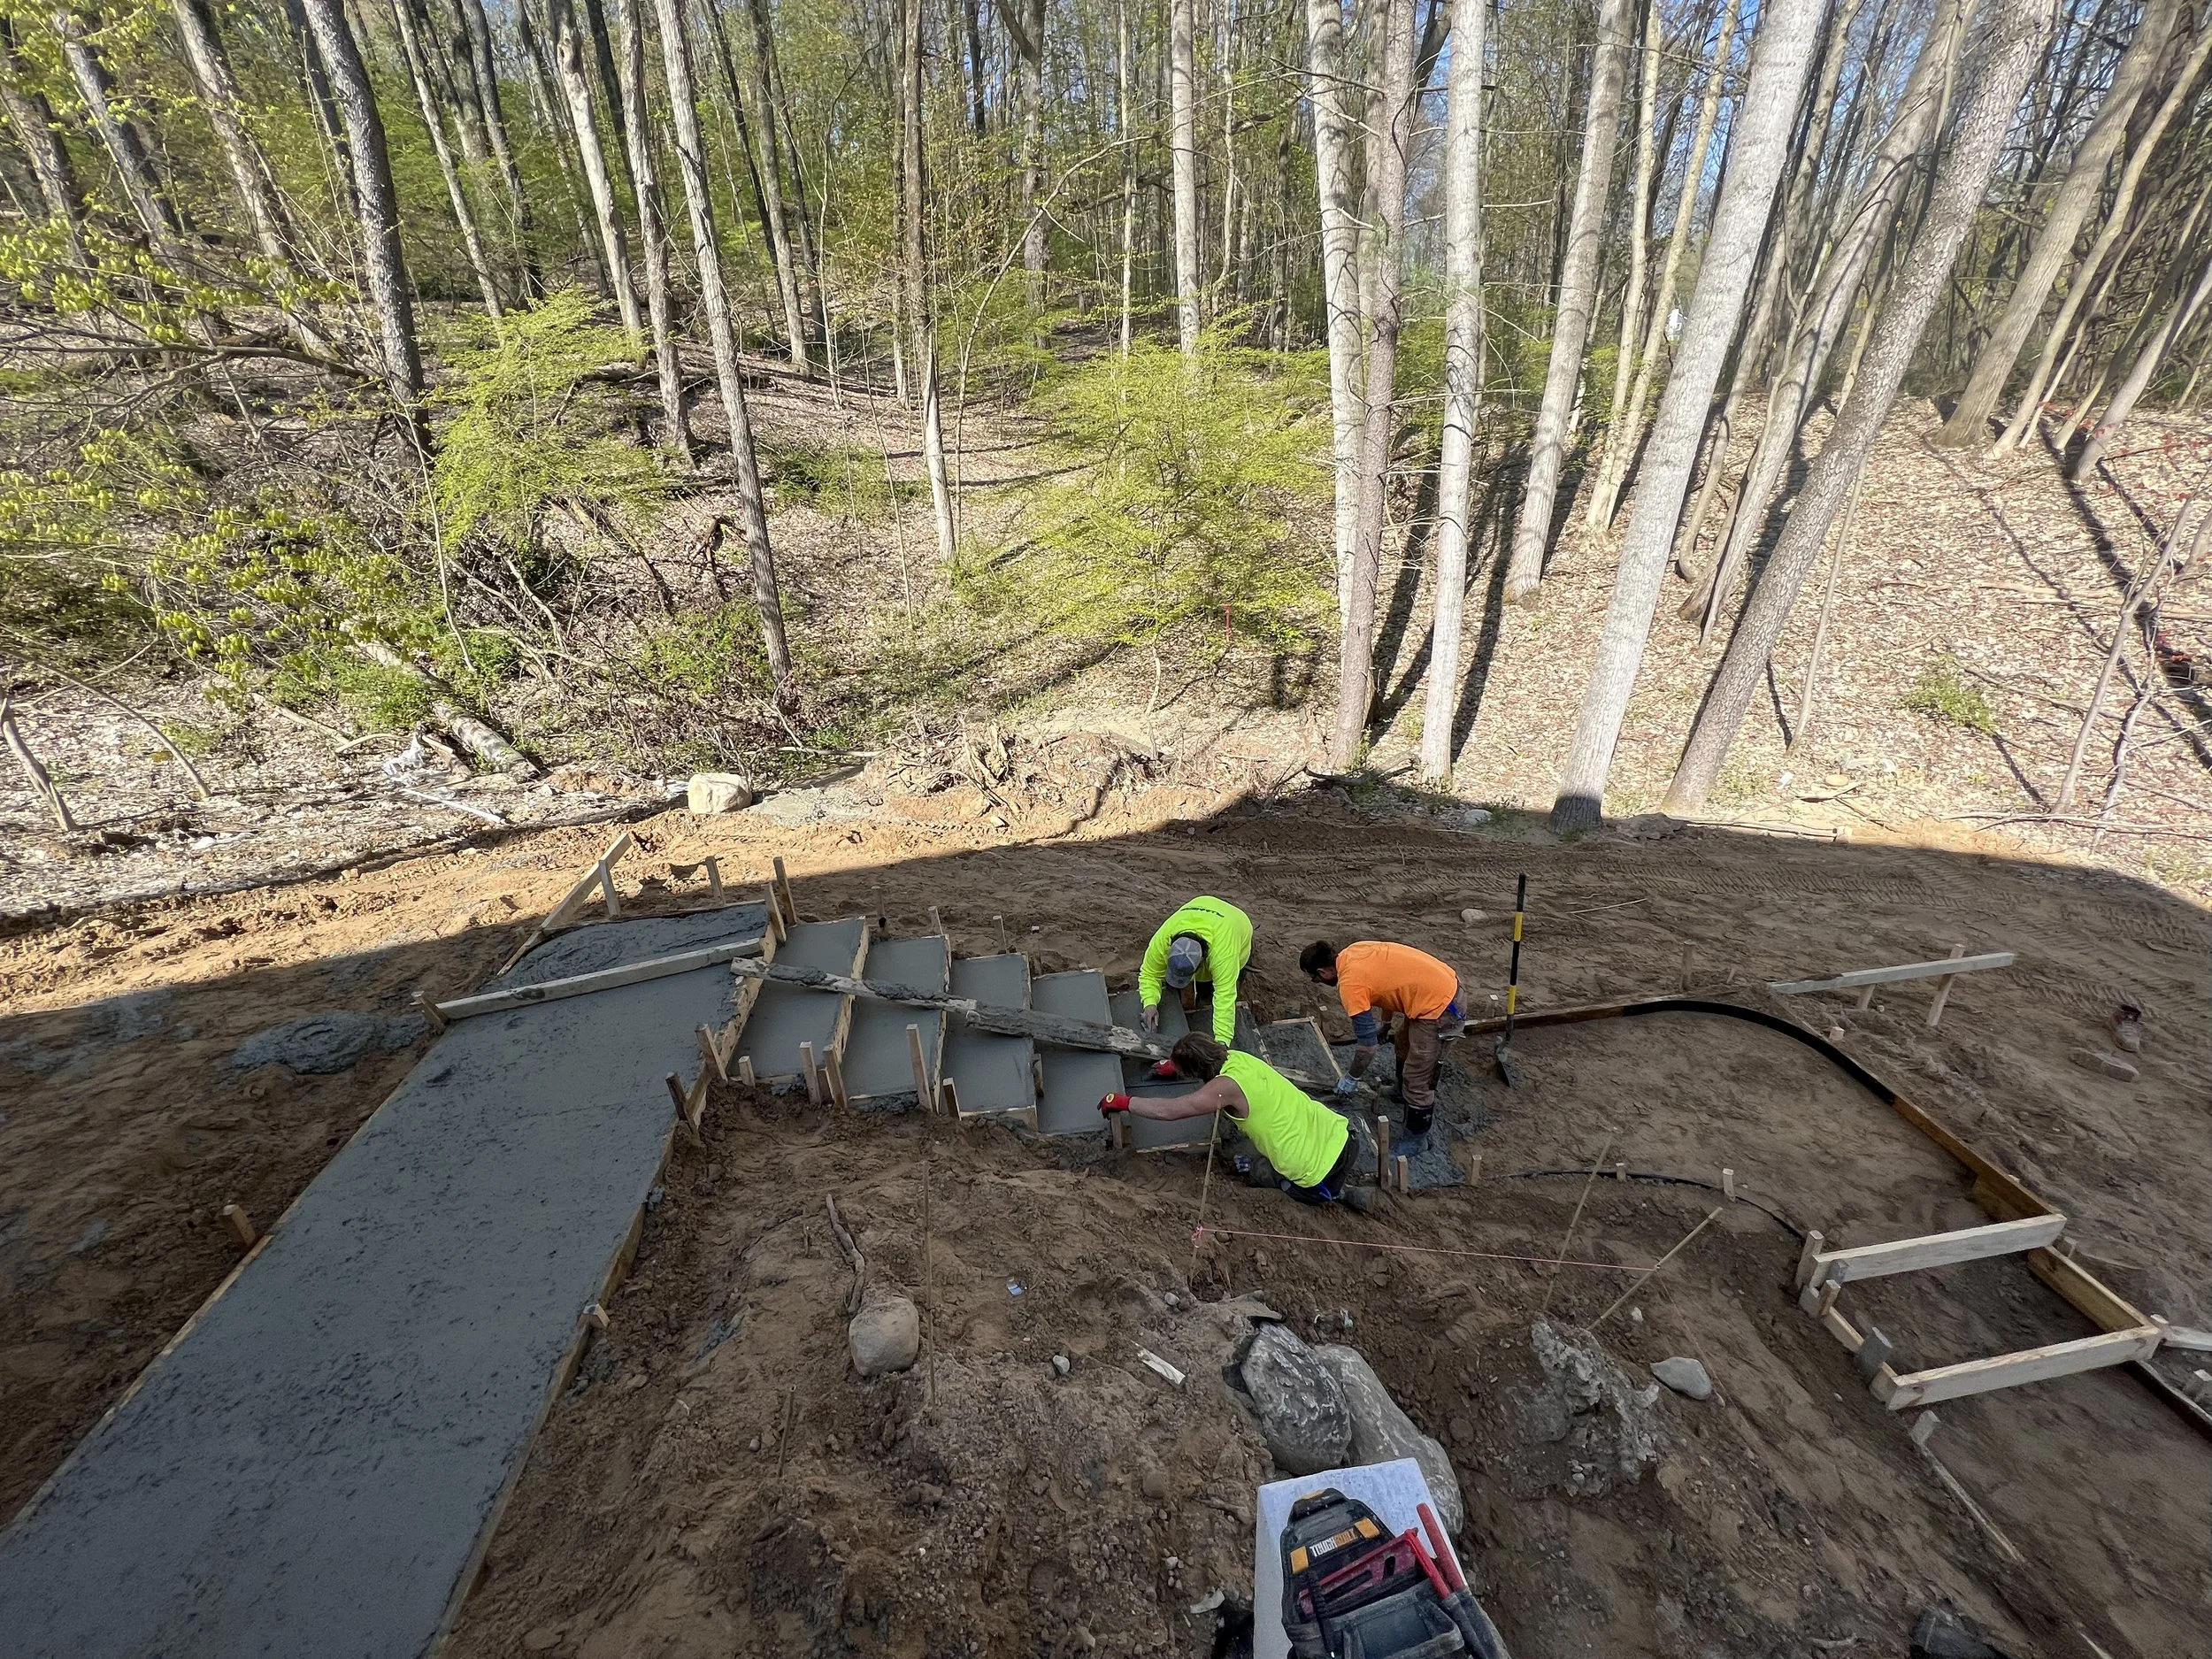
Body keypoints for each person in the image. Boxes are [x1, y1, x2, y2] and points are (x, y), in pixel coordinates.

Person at [1099, 1033, 1369, 1210]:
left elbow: (1171, 1110)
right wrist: (1177, 1063)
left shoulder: (1225, 1088)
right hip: (1343, 1135)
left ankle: (1338, 1194)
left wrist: (1125, 1103)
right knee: (1267, 1153)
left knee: (1258, 1171)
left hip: (1315, 1174)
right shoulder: (1239, 1059)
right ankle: (1340, 1186)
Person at [1299, 939, 1464, 1138]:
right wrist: (1386, 1025)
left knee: (1418, 1076)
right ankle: (1400, 1091)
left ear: (1322, 972)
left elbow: (1367, 1047)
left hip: (1442, 1007)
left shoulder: (1350, 984)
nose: (1320, 983)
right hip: (1436, 987)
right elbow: (1388, 983)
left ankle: (1416, 1138)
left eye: (1317, 980)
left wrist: (1351, 1078)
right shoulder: (1354, 951)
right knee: (1403, 1042)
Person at [1137, 895, 1251, 1044]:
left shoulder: (1223, 955)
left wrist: (1221, 1042)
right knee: (1174, 988)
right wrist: (1150, 1003)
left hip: (1236, 922)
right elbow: (1149, 973)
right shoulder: (1161, 941)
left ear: (1202, 962)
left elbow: (1225, 997)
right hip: (1201, 904)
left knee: (1210, 996)